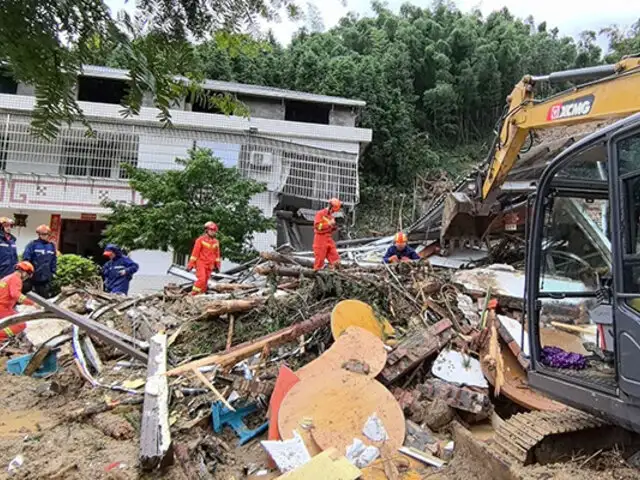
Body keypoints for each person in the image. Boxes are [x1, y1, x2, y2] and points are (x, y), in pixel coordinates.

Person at [0, 261, 36, 341]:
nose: (26, 278)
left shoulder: (7, 277)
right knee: (20, 324)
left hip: (3, 307)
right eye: (28, 275)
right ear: (25, 272)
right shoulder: (16, 279)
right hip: (3, 307)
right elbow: (16, 295)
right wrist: (33, 303)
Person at [22, 225, 57, 298]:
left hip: (46, 278)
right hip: (33, 277)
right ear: (39, 234)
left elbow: (53, 260)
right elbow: (26, 259)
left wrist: (53, 272)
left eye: (47, 234)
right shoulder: (32, 245)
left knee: (44, 298)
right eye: (43, 234)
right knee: (29, 298)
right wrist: (27, 272)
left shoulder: (51, 246)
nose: (46, 236)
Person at [187, 221, 221, 295]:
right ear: (207, 230)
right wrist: (190, 265)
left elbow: (217, 255)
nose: (213, 232)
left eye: (214, 231)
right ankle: (193, 294)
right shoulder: (200, 240)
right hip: (201, 263)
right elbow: (194, 254)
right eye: (211, 230)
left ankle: (201, 295)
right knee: (201, 279)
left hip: (210, 265)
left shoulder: (216, 242)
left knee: (205, 281)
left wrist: (217, 266)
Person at [313, 198, 341, 271]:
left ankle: (335, 273)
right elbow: (317, 226)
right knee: (319, 259)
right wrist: (328, 224)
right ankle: (317, 274)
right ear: (330, 207)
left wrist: (334, 227)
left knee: (335, 258)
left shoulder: (331, 216)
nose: (333, 212)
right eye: (333, 210)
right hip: (320, 239)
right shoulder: (320, 214)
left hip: (328, 238)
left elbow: (330, 228)